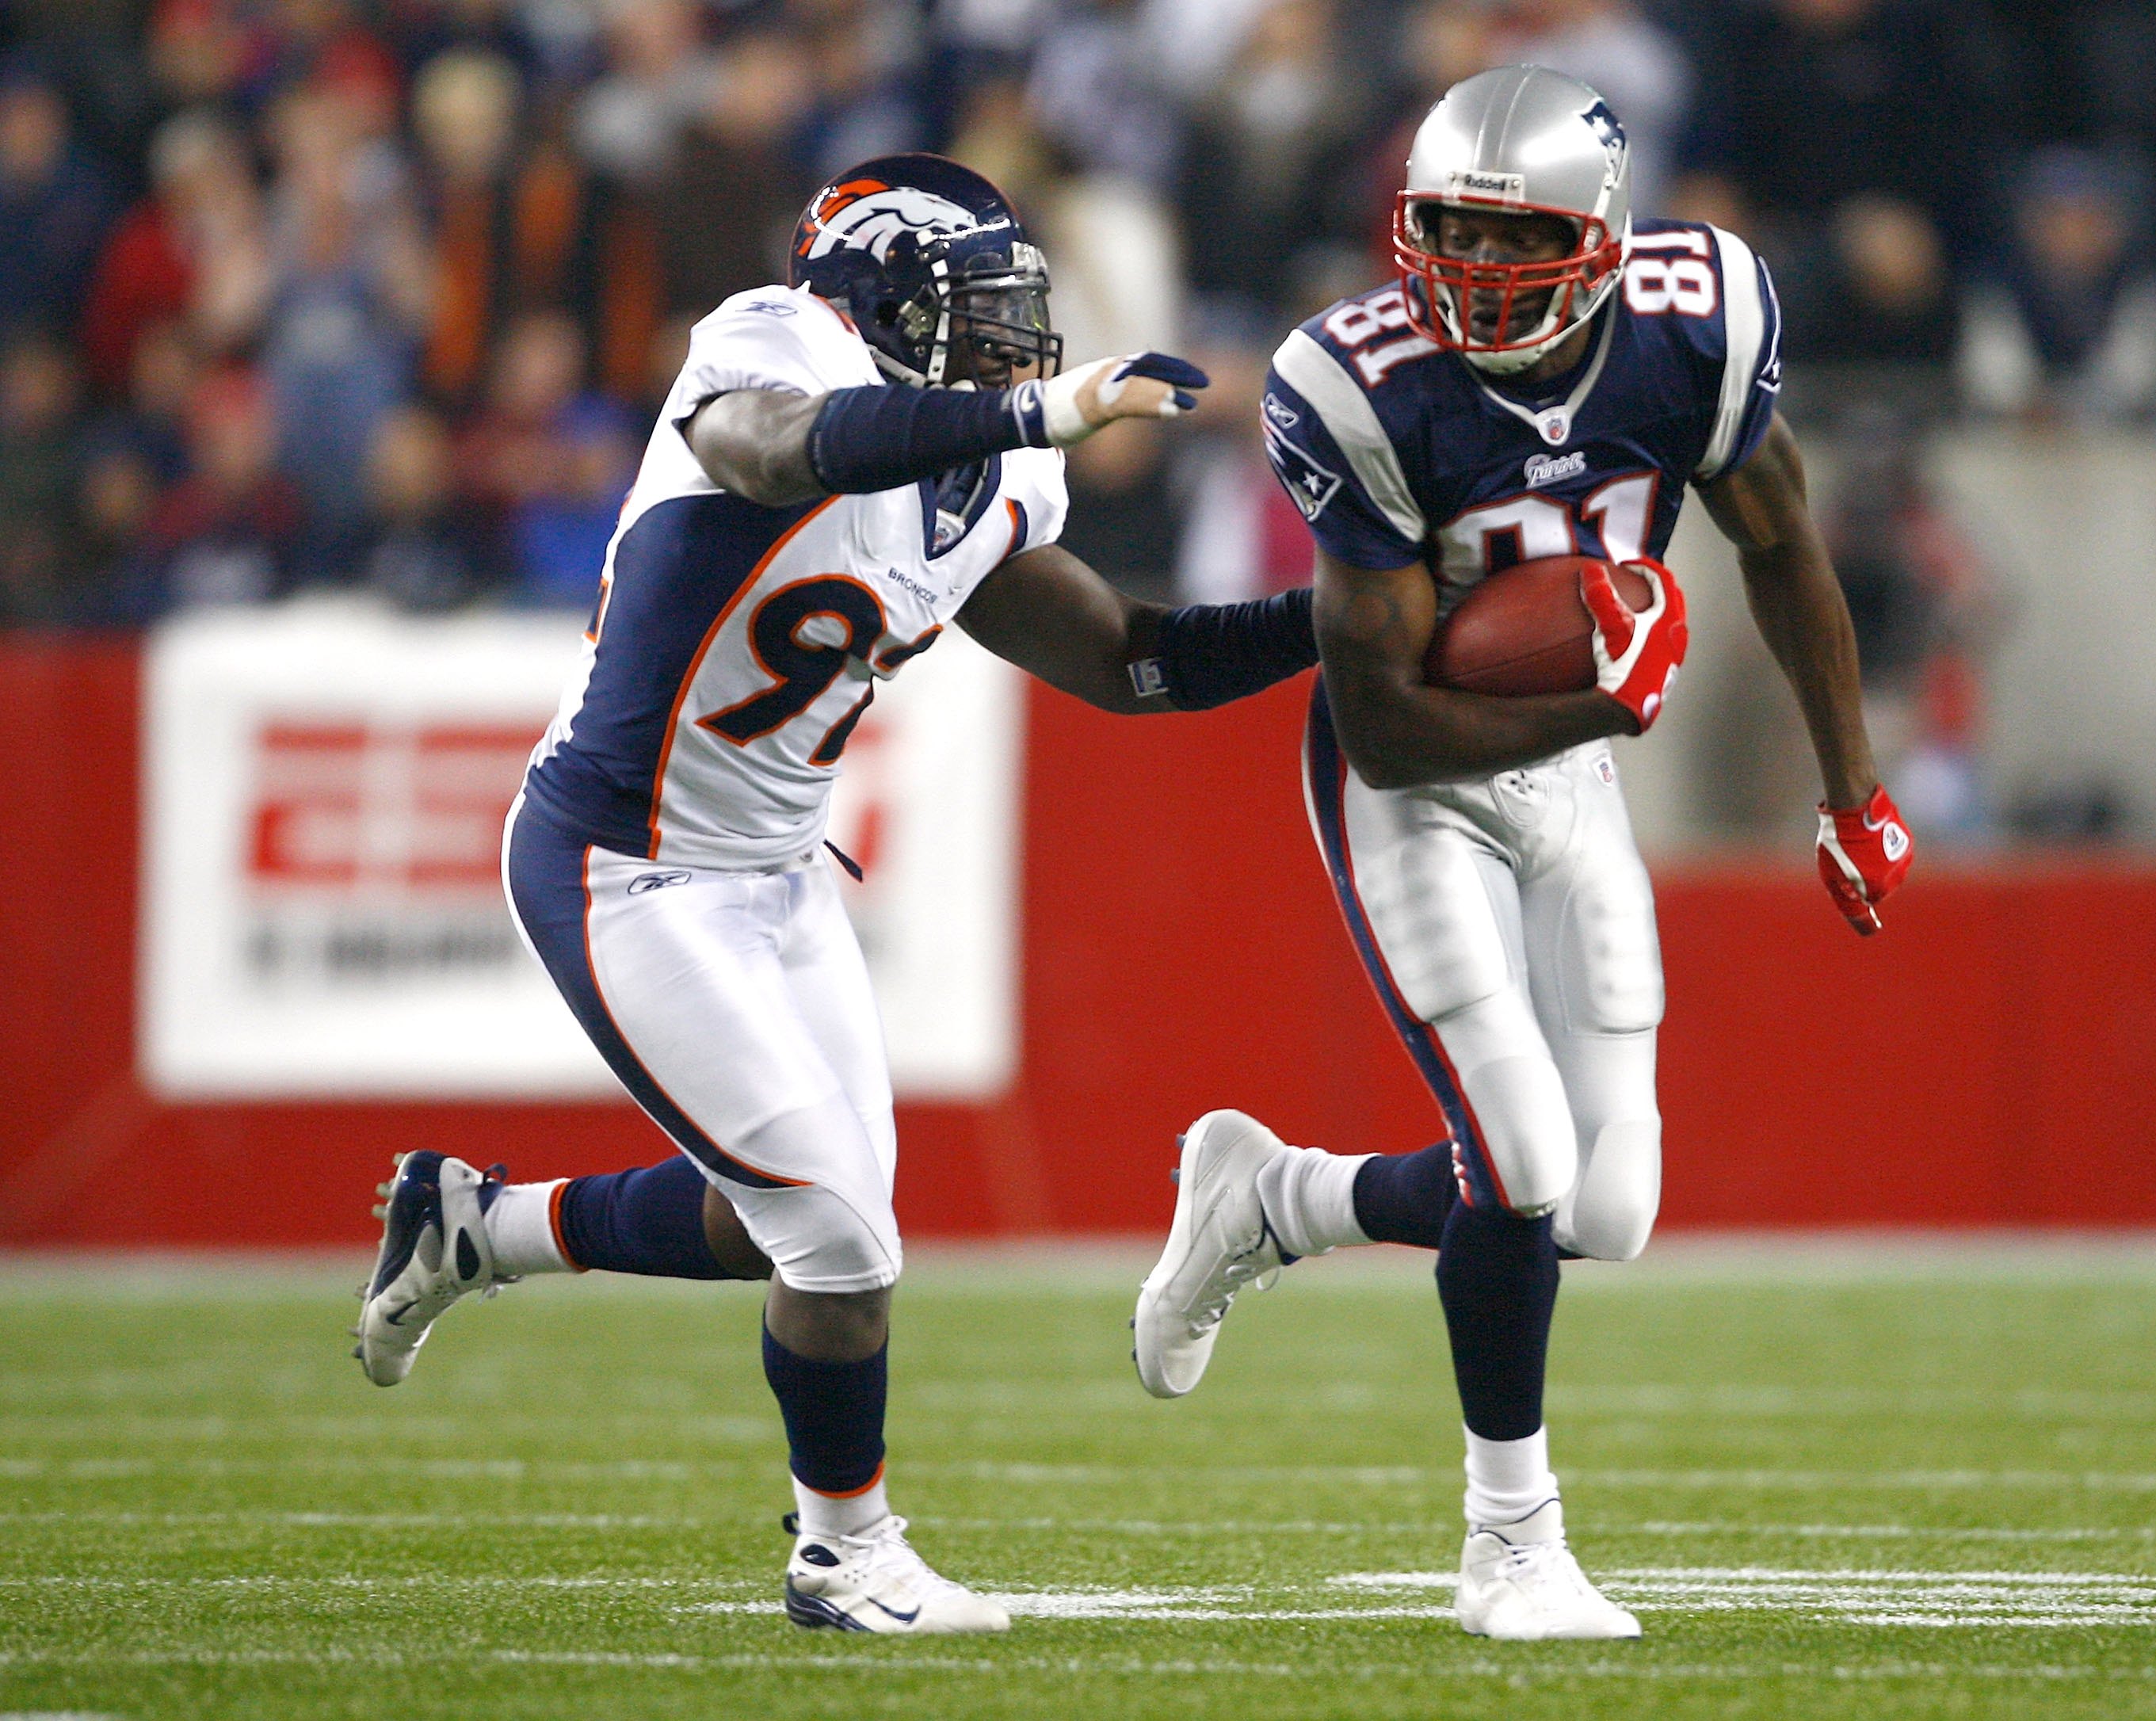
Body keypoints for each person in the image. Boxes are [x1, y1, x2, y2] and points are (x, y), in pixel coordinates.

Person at [349, 154, 1318, 1635]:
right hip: (627, 860)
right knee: (844, 1245)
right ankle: (843, 1554)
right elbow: (776, 450)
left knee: (783, 1225)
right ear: (882, 301)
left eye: (1022, 319)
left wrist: (1344, 617)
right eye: (983, 312)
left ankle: (477, 1227)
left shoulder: (998, 470)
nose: (1018, 344)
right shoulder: (773, 343)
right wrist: (1027, 410)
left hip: (780, 875)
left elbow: (1134, 658)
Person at [1130, 67, 1914, 1642]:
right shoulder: (1357, 381)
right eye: (1452, 236)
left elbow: (1780, 543)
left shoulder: (1702, 325)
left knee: (1604, 1205)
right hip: (1407, 777)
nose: (1480, 277)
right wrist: (1597, 695)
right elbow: (1392, 715)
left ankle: (1276, 1199)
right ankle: (1510, 1543)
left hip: (1568, 774)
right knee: (1523, 1162)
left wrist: (1852, 786)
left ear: (1607, 238)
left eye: (1519, 238)